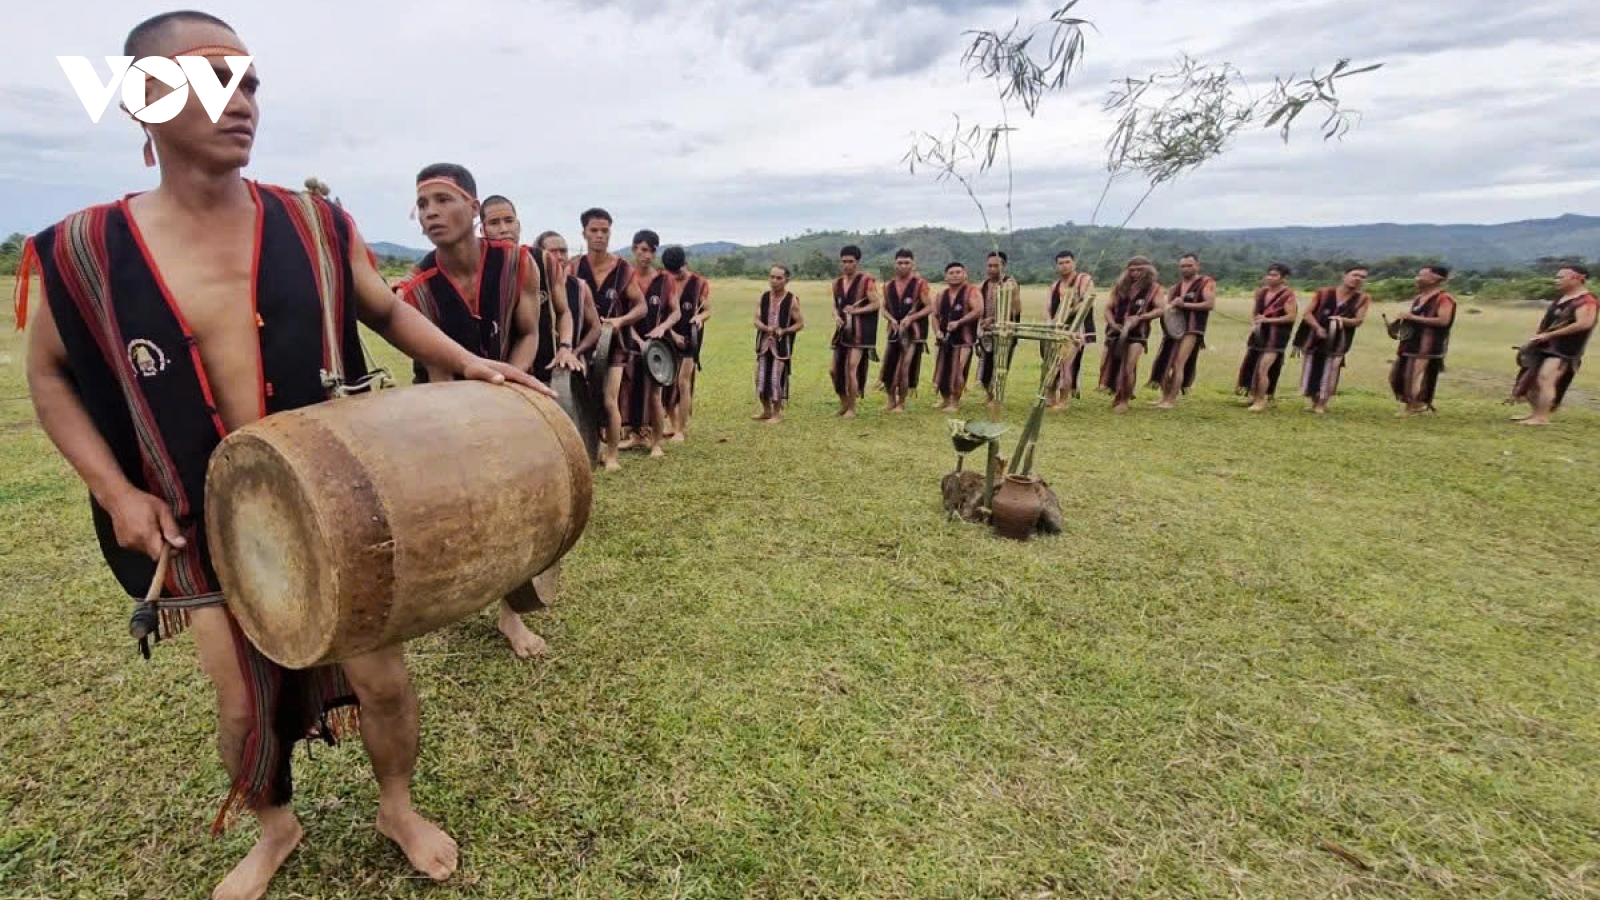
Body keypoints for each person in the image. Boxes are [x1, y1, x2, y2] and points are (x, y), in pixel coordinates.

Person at [13, 13, 549, 900]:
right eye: (212, 79)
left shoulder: (312, 221)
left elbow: (385, 309)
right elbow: (50, 379)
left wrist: (466, 362)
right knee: (238, 704)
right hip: (194, 518)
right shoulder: (81, 249)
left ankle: (397, 805)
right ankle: (275, 827)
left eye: (251, 81)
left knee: (383, 678)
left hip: (336, 505)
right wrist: (113, 492)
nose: (243, 101)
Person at [393, 170, 559, 660]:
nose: (431, 213)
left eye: (443, 200)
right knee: (460, 508)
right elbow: (437, 371)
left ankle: (512, 614)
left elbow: (529, 330)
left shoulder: (517, 263)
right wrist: (465, 431)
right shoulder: (417, 289)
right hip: (445, 407)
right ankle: (455, 592)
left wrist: (511, 383)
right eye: (422, 205)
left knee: (524, 505)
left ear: (473, 207)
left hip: (509, 396)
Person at [477, 195, 580, 385]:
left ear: (518, 225)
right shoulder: (477, 265)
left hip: (545, 371)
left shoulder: (544, 261)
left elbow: (564, 312)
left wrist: (565, 347)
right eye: (494, 223)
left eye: (509, 221)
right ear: (482, 229)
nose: (504, 229)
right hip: (495, 377)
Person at [571, 208, 646, 470]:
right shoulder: (573, 267)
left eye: (605, 231)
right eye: (594, 230)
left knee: (609, 399)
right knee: (585, 398)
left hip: (615, 346)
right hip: (583, 343)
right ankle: (593, 449)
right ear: (584, 233)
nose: (600, 236)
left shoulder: (622, 269)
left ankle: (612, 455)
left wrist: (620, 322)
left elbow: (641, 306)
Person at [1507, 265, 1598, 426]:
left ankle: (1542, 417)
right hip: (1546, 345)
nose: (1557, 281)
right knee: (1533, 379)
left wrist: (1549, 335)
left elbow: (1584, 323)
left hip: (1564, 349)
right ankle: (1535, 413)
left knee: (1545, 379)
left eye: (1561, 277)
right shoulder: (1561, 298)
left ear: (1578, 278)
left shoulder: (1587, 301)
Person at [623, 230, 679, 458]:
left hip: (656, 347)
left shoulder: (664, 280)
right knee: (629, 391)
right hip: (629, 343)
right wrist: (635, 338)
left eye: (652, 250)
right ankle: (635, 436)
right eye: (643, 249)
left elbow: (675, 313)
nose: (647, 255)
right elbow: (621, 313)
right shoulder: (626, 277)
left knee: (655, 394)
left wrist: (663, 327)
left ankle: (656, 443)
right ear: (634, 249)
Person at [1292, 266, 1371, 414]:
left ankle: (1322, 403)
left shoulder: (1363, 298)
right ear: (1344, 275)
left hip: (1339, 340)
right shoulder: (1323, 293)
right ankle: (1314, 400)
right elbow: (1308, 314)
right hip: (1315, 338)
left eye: (1363, 277)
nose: (1358, 279)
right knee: (1312, 368)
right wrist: (1318, 328)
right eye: (1355, 275)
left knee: (1332, 370)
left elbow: (1358, 321)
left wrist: (1341, 320)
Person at [1387, 265, 1456, 417]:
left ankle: (1413, 407)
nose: (1417, 278)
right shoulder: (1419, 297)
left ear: (1435, 279)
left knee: (1412, 376)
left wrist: (1412, 317)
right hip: (1410, 342)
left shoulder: (1444, 298)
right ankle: (1418, 404)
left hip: (1427, 345)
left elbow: (1444, 320)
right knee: (1396, 376)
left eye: (1421, 275)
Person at [1149, 253, 1216, 409]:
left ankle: (1171, 400)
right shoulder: (1175, 287)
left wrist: (1185, 305)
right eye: (1183, 266)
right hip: (1173, 328)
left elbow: (1209, 304)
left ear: (1197, 266)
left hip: (1192, 328)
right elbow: (1167, 307)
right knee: (1166, 361)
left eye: (1189, 265)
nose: (1185, 269)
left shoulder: (1206, 282)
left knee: (1179, 363)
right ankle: (1164, 397)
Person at [1098, 257, 1164, 412]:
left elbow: (1161, 309)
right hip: (1115, 331)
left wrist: (1140, 317)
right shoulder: (1120, 286)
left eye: (1139, 270)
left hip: (1137, 333)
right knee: (1105, 365)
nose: (1135, 273)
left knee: (1128, 367)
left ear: (1147, 270)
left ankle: (1124, 400)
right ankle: (1117, 393)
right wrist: (1113, 323)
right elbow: (1108, 308)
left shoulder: (1154, 288)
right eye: (1132, 270)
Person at [662, 245, 711, 441]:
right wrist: (672, 334)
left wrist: (700, 318)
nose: (676, 276)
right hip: (669, 336)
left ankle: (681, 430)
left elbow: (707, 310)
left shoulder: (699, 283)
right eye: (672, 273)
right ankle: (672, 424)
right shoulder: (664, 280)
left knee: (683, 381)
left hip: (691, 338)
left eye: (679, 272)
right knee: (667, 381)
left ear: (686, 264)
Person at [1235, 263, 1299, 412]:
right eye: (1269, 274)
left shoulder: (1288, 295)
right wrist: (1255, 322)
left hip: (1276, 338)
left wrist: (1268, 320)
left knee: (1263, 368)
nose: (1270, 278)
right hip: (1259, 335)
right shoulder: (1261, 292)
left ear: (1283, 278)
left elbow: (1291, 317)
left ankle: (1261, 400)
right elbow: (1255, 313)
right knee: (1252, 365)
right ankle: (1252, 395)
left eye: (1275, 275)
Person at [879, 249, 933, 413]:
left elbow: (930, 307)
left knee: (905, 366)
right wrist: (891, 319)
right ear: (894, 264)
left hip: (914, 333)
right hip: (894, 332)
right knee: (890, 364)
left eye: (907, 263)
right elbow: (884, 308)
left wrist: (912, 317)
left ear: (913, 264)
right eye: (900, 263)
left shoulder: (920, 284)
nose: (903, 266)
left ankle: (901, 403)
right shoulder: (888, 286)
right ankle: (890, 400)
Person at [830, 245, 880, 418]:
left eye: (850, 261)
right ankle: (844, 402)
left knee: (851, 368)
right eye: (844, 261)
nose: (847, 265)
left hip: (860, 332)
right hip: (843, 331)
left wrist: (856, 311)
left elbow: (876, 304)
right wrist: (836, 316)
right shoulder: (836, 283)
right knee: (834, 370)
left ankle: (853, 408)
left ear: (857, 262)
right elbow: (835, 306)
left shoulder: (867, 281)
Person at [1044, 250, 1095, 409]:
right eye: (1061, 263)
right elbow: (1047, 308)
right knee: (1051, 363)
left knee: (1066, 363)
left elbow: (1087, 301)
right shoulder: (1054, 286)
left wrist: (1067, 311)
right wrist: (1050, 322)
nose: (1064, 266)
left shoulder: (1084, 279)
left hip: (1075, 329)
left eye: (1067, 262)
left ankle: (1064, 401)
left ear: (1074, 263)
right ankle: (1050, 397)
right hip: (1056, 330)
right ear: (1056, 266)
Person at [754, 265, 804, 423]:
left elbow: (800, 323)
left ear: (786, 280)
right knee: (760, 378)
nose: (774, 281)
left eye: (779, 278)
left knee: (776, 378)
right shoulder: (764, 297)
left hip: (781, 347)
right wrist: (765, 327)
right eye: (772, 277)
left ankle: (777, 413)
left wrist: (784, 330)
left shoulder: (791, 300)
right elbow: (756, 319)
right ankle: (766, 410)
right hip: (763, 345)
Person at [932, 262, 983, 411]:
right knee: (943, 369)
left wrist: (959, 322)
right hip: (944, 339)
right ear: (946, 276)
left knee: (958, 369)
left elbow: (978, 310)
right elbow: (935, 316)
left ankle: (955, 402)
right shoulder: (941, 295)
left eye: (958, 272)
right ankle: (945, 399)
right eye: (951, 273)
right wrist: (937, 331)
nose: (955, 275)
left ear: (965, 274)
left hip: (964, 339)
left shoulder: (972, 291)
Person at [977, 250, 1023, 404]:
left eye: (996, 266)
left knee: (1000, 366)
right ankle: (988, 395)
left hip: (1005, 333)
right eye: (989, 266)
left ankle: (997, 397)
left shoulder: (1010, 284)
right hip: (987, 333)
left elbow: (1016, 310)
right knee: (986, 366)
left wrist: (995, 319)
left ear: (1003, 267)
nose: (991, 269)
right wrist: (983, 321)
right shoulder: (983, 285)